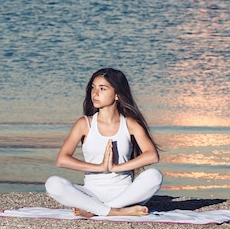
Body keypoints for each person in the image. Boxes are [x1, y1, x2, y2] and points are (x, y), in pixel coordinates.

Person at [45, 68, 163, 217]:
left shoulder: (130, 124)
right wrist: (99, 167)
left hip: (125, 194)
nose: (95, 93)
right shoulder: (84, 123)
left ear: (117, 95)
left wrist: (116, 167)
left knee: (155, 176)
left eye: (102, 88)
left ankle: (98, 210)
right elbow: (62, 160)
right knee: (53, 184)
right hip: (91, 193)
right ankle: (115, 211)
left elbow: (152, 156)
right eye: (93, 87)